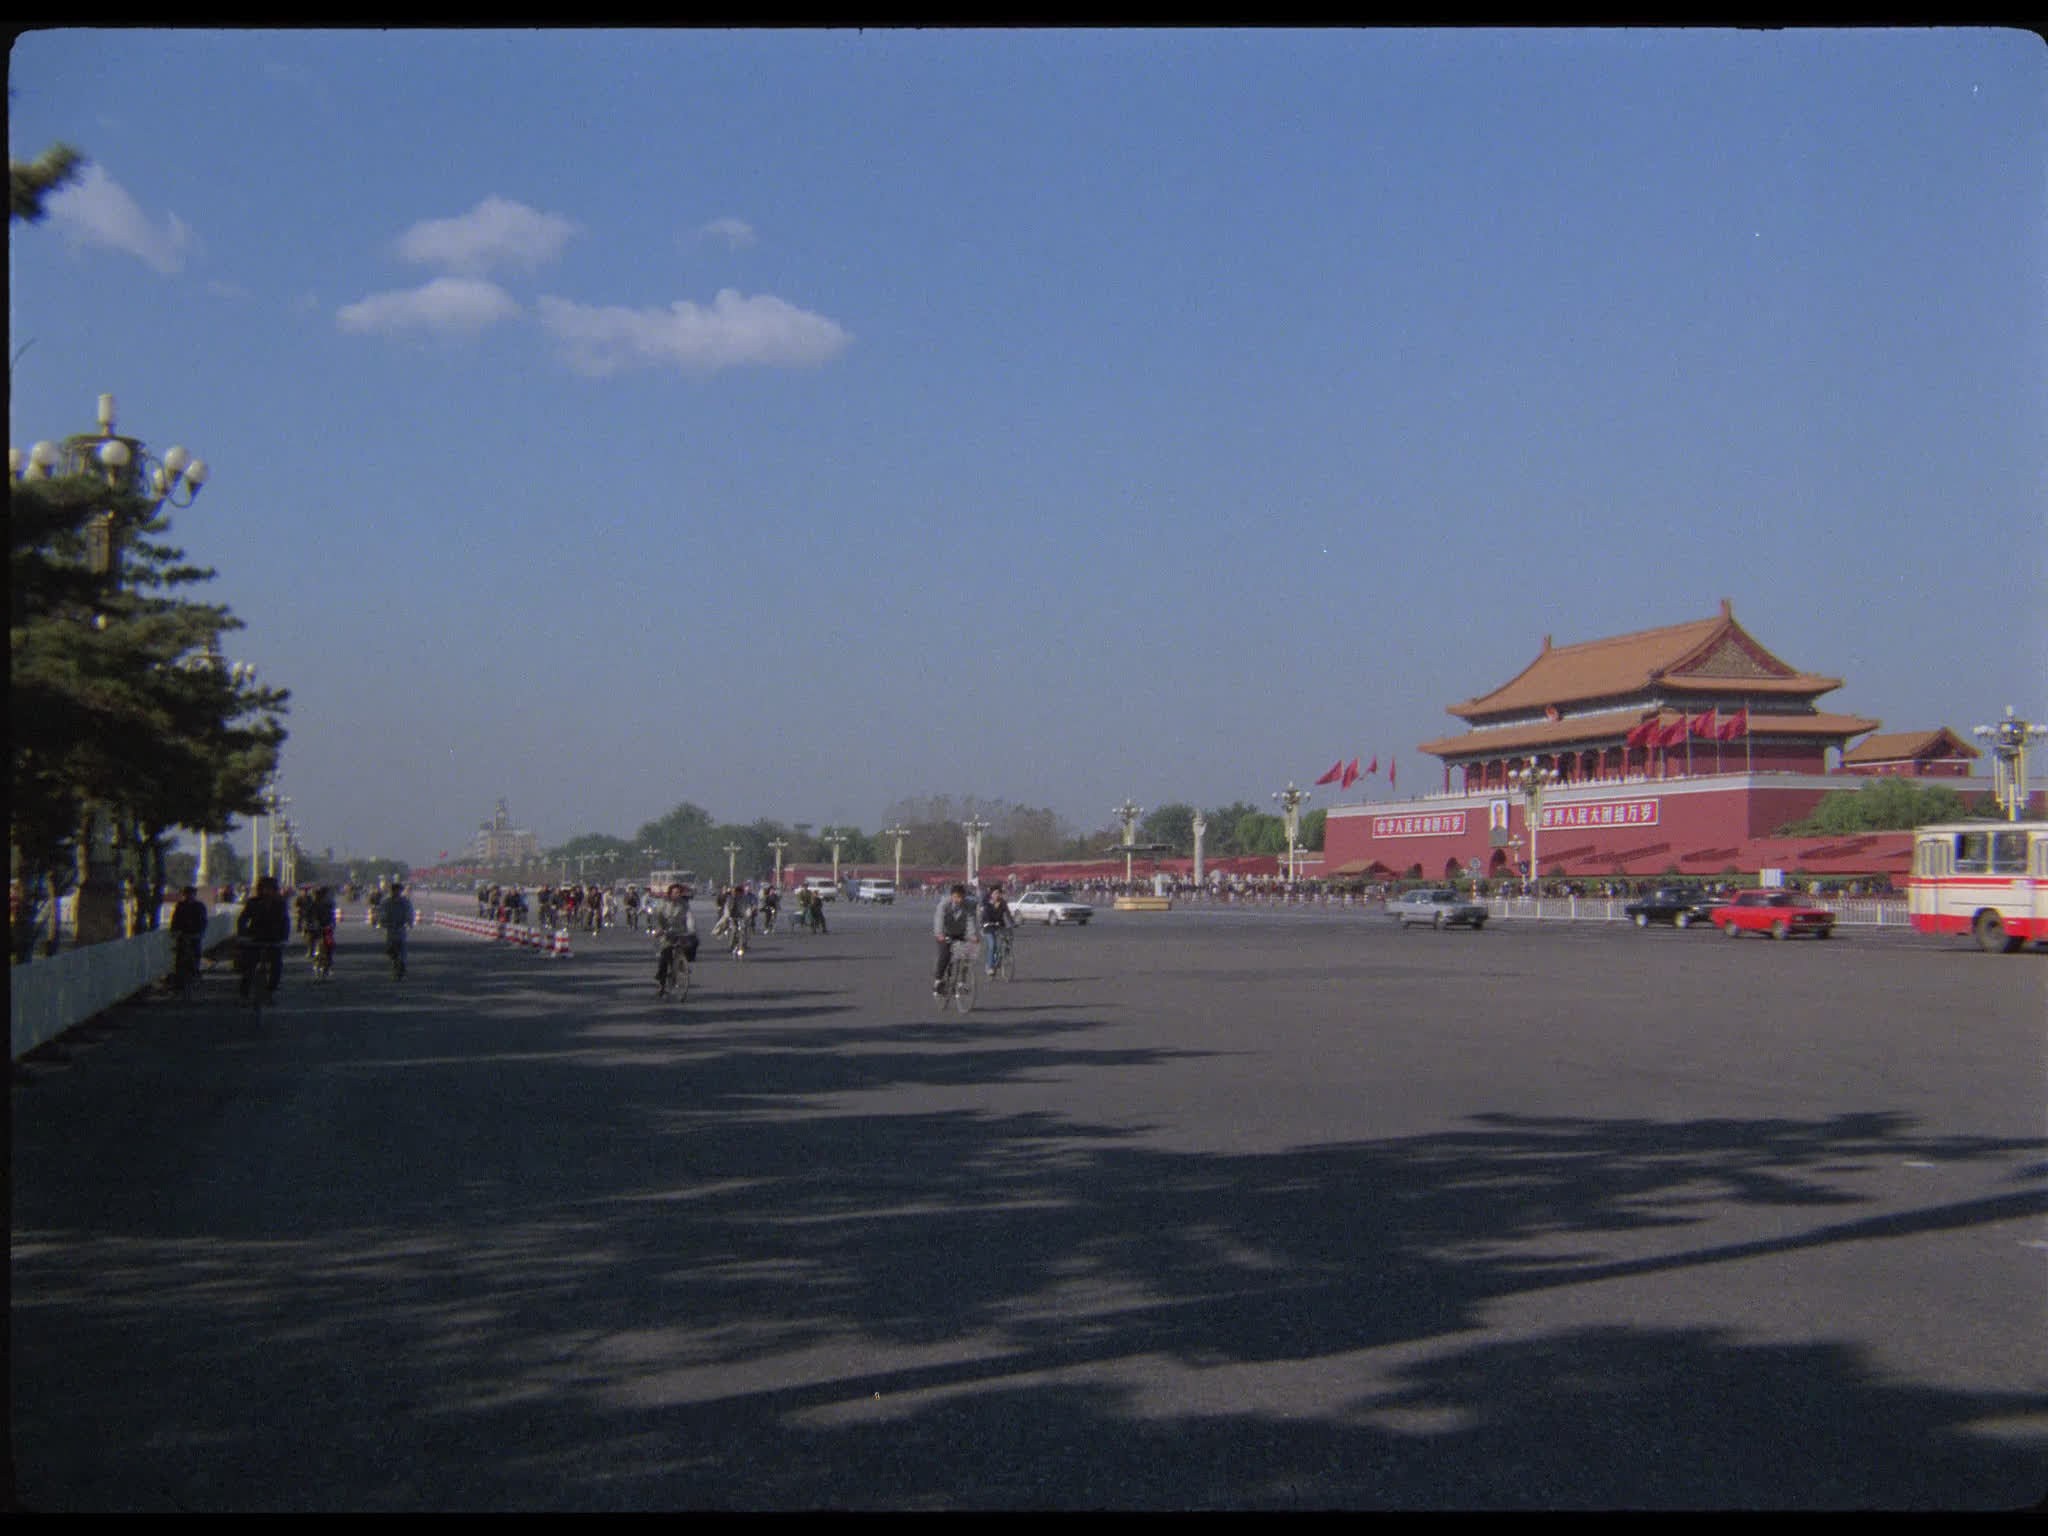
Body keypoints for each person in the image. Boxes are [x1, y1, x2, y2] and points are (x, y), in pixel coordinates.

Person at [234, 875, 291, 1003]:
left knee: (276, 966)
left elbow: (285, 922)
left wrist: (284, 939)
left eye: (270, 888)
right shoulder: (253, 903)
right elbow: (242, 920)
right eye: (265, 888)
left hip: (274, 939)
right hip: (255, 938)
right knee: (249, 967)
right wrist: (242, 935)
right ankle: (244, 994)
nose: (268, 891)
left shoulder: (280, 904)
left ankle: (271, 990)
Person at [649, 882, 698, 994]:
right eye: (676, 892)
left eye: (680, 892)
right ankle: (662, 983)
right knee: (665, 955)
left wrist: (691, 930)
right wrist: (659, 929)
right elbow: (657, 917)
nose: (678, 894)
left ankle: (683, 963)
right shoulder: (663, 904)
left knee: (693, 942)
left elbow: (689, 917)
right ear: (670, 893)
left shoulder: (684, 904)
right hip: (666, 933)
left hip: (680, 932)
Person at [933, 882, 979, 994]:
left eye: (961, 897)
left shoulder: (968, 904)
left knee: (966, 956)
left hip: (960, 932)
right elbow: (939, 919)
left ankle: (961, 983)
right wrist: (939, 934)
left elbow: (970, 920)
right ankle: (938, 980)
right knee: (945, 955)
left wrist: (973, 935)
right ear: (951, 896)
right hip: (945, 933)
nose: (958, 900)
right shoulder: (944, 904)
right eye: (956, 897)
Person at [169, 884, 209, 995]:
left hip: (194, 936)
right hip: (182, 936)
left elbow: (203, 922)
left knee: (195, 955)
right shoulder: (180, 906)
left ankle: (194, 975)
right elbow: (175, 920)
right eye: (187, 894)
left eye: (191, 894)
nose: (189, 896)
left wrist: (199, 933)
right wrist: (174, 931)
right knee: (180, 958)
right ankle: (179, 983)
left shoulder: (199, 906)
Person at [377, 881, 416, 978]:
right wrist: (381, 922)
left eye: (398, 890)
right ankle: (396, 961)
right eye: (394, 890)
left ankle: (401, 963)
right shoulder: (386, 902)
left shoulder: (405, 901)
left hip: (400, 926)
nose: (396, 892)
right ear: (391, 891)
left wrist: (410, 922)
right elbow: (381, 913)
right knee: (390, 948)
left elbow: (410, 912)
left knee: (402, 946)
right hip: (390, 927)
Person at [979, 882, 1012, 976]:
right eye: (995, 893)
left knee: (1007, 939)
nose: (997, 895)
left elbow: (1007, 913)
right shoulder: (987, 903)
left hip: (998, 925)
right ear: (991, 894)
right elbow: (985, 915)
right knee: (992, 945)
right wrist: (987, 922)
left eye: (998, 893)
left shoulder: (1002, 902)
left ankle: (1002, 957)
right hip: (988, 926)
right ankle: (990, 966)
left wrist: (1012, 923)